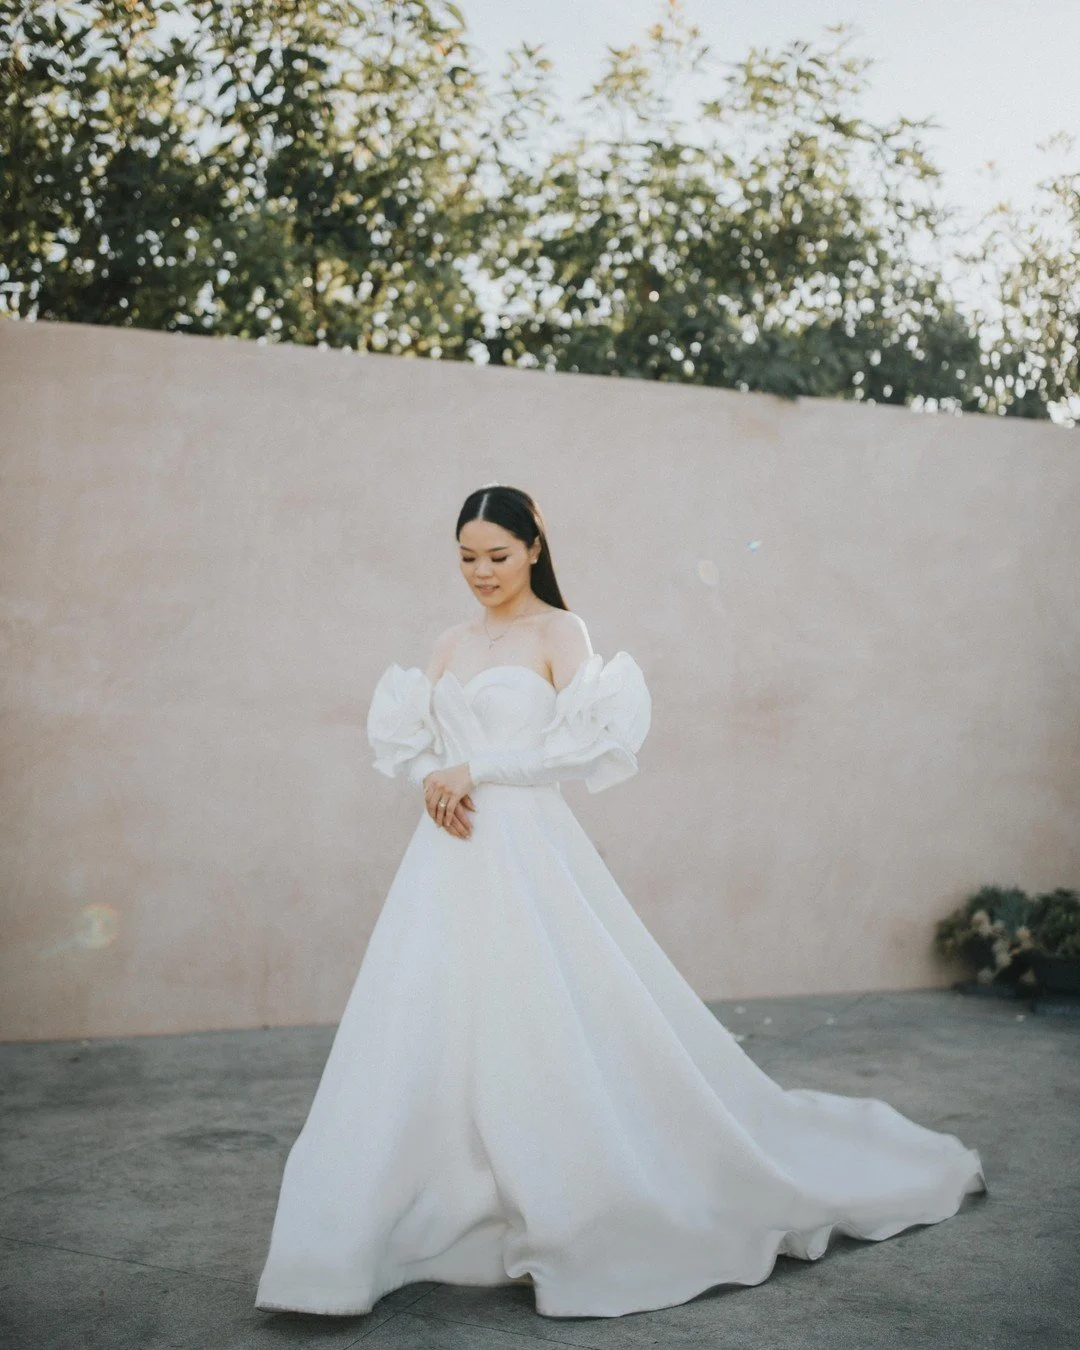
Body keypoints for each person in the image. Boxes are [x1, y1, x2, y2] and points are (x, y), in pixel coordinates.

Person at [255, 484, 986, 1321]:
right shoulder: (449, 641)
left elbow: (580, 743)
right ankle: (378, 1229)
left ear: (535, 548)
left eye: (497, 555)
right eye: (466, 557)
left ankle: (571, 1199)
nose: (481, 572)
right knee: (419, 1027)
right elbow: (418, 737)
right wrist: (435, 776)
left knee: (539, 1020)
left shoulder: (561, 632)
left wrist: (478, 770)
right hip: (448, 856)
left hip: (526, 847)